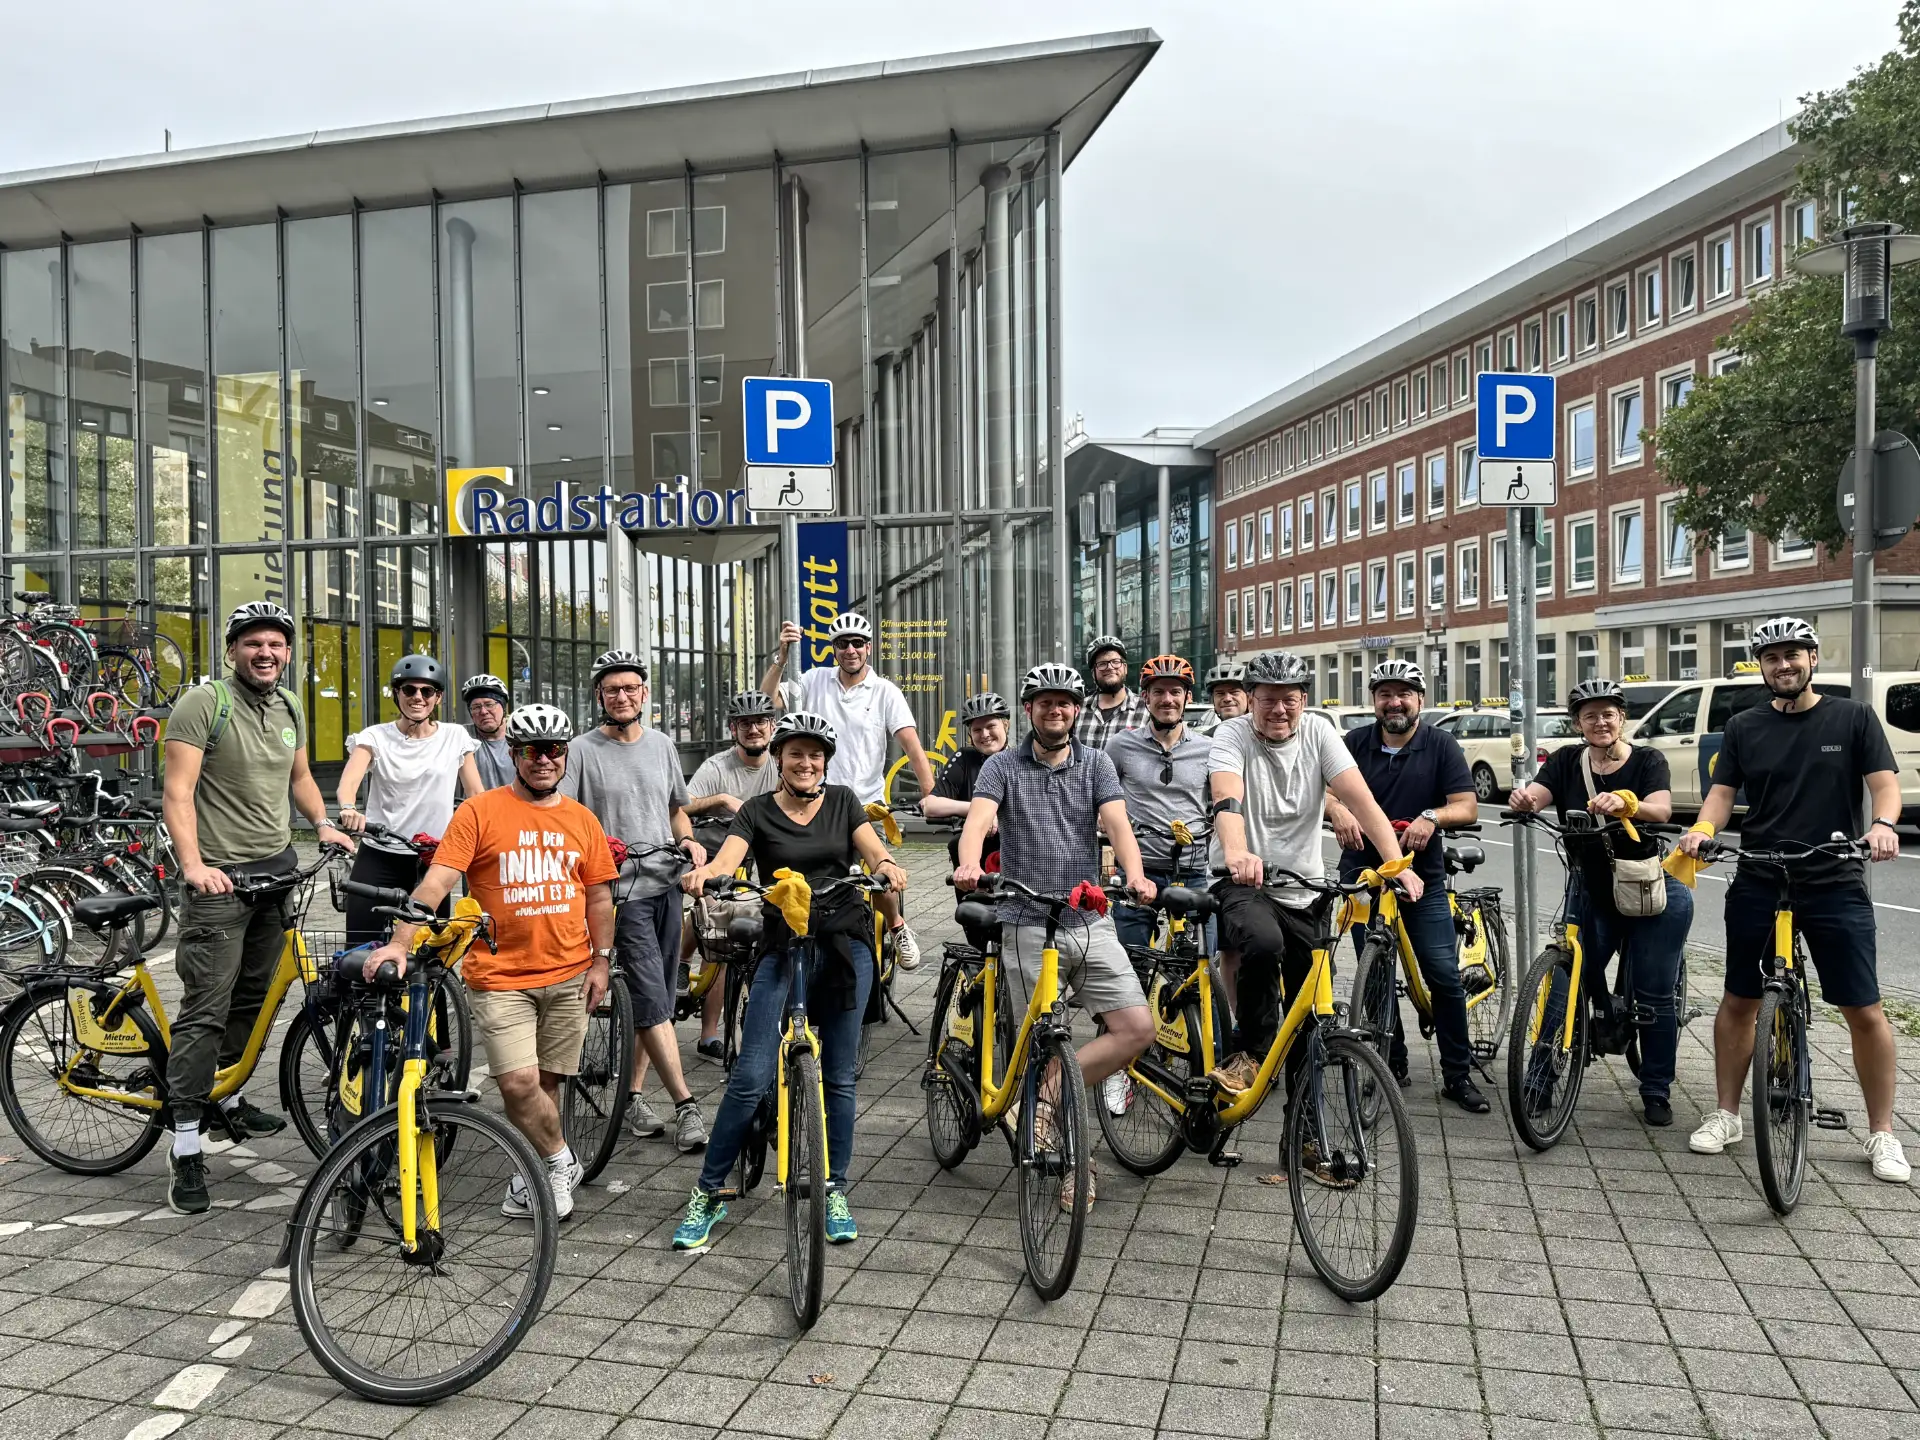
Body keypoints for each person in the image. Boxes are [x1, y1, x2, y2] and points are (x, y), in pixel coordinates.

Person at [361, 703, 617, 1221]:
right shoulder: (480, 812)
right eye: (532, 750)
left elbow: (598, 899)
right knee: (517, 1083)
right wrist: (400, 942)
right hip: (501, 977)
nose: (544, 760)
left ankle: (532, 1179)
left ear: (565, 755)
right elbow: (436, 884)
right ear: (516, 754)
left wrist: (601, 961)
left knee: (546, 1083)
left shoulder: (582, 819)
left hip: (569, 973)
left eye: (554, 750)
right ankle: (559, 1159)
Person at [1677, 616, 1910, 1182]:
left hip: (1832, 877)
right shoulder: (1743, 726)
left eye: (1793, 655)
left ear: (1811, 658)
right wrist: (1704, 831)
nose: (1783, 665)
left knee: (1864, 1008)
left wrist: (1882, 824)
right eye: (1772, 657)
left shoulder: (1852, 717)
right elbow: (1722, 795)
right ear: (1761, 667)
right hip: (1761, 873)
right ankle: (1727, 1113)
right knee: (1738, 1000)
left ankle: (1882, 1132)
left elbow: (1885, 785)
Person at [673, 712, 910, 1250]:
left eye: (815, 754)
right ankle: (708, 1191)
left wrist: (889, 864)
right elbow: (731, 861)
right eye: (796, 754)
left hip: (845, 946)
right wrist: (707, 874)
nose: (806, 763)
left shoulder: (846, 801)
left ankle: (834, 1188)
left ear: (826, 760)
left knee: (842, 1078)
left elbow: (872, 849)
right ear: (779, 759)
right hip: (781, 947)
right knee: (751, 1075)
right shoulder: (757, 811)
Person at [159, 601, 356, 1214]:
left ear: (288, 652)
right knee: (205, 1010)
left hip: (276, 876)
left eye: (275, 644)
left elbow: (298, 778)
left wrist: (322, 822)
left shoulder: (290, 705)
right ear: (232, 650)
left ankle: (228, 1098)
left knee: (254, 999)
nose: (264, 653)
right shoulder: (203, 704)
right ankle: (185, 1144)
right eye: (252, 644)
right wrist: (194, 868)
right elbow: (178, 792)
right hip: (220, 884)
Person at [954, 662, 1158, 1212]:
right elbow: (978, 820)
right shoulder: (1000, 766)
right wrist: (970, 864)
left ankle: (1046, 1096)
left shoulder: (1096, 765)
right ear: (1030, 710)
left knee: (1138, 1027)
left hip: (1088, 918)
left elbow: (1118, 825)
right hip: (1024, 921)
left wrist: (1135, 876)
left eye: (1065, 701)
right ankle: (1075, 1163)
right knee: (1042, 1036)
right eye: (1044, 702)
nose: (1055, 709)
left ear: (1077, 709)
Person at [1207, 651, 1418, 1099]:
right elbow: (1227, 797)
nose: (1279, 709)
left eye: (1290, 699)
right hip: (1245, 880)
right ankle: (1249, 1054)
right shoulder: (1231, 734)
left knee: (1310, 1012)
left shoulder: (1320, 731)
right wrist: (1237, 852)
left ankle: (1304, 1142)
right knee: (1263, 945)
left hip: (1304, 887)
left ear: (1304, 699)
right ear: (1250, 699)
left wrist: (1394, 864)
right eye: (1267, 699)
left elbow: (1362, 801)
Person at [1508, 677, 1690, 1126]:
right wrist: (1525, 798)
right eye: (1590, 715)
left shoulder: (1648, 759)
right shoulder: (1568, 761)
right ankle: (1539, 1081)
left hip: (1648, 892)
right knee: (1565, 981)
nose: (1600, 721)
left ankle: (1656, 1089)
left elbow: (1662, 809)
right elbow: (1539, 792)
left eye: (1608, 713)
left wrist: (1627, 803)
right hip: (1591, 888)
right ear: (1578, 723)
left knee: (1653, 994)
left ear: (1622, 718)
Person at [563, 649, 709, 1152]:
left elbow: (675, 810)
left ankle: (632, 1096)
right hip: (619, 892)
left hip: (665, 883)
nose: (622, 696)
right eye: (612, 689)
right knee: (650, 996)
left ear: (644, 694)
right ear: (599, 697)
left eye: (630, 688)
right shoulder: (581, 750)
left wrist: (687, 841)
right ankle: (687, 1105)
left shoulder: (663, 744)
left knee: (661, 1000)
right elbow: (566, 816)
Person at [1324, 660, 1486, 1111]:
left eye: (1404, 694)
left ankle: (1457, 1072)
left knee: (1444, 977)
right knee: (1374, 976)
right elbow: (1324, 788)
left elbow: (1467, 806)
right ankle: (1389, 1064)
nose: (1394, 702)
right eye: (1384, 694)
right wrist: (1335, 809)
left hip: (1422, 880)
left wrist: (1432, 818)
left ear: (1420, 700)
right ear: (1373, 700)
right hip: (1362, 877)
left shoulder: (1441, 745)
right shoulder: (1353, 743)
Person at [764, 611, 935, 969]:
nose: (850, 650)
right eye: (842, 644)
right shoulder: (813, 680)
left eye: (857, 643)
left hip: (866, 803)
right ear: (834, 649)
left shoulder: (885, 691)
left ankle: (897, 926)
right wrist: (781, 658)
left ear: (868, 648)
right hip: (818, 802)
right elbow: (769, 703)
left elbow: (911, 744)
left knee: (880, 869)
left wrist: (929, 792)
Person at [335, 654, 483, 943]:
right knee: (360, 941)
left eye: (427, 691)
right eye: (409, 690)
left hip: (434, 857)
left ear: (438, 698)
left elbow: (477, 795)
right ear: (396, 694)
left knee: (430, 949)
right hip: (380, 853)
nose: (418, 697)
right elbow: (348, 783)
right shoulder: (375, 737)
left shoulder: (455, 737)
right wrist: (348, 808)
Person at [682, 690, 781, 1059]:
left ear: (772, 726)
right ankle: (681, 968)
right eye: (745, 723)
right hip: (714, 849)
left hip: (760, 855)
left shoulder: (781, 763)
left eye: (760, 722)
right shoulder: (716, 766)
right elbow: (683, 805)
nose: (753, 729)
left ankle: (719, 1031)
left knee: (732, 943)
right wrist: (723, 799)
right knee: (712, 917)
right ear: (732, 729)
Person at [923, 691, 1011, 953]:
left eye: (991, 726)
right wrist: (981, 810)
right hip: (976, 855)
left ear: (1005, 724)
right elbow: (931, 804)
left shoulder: (1021, 760)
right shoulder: (965, 759)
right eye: (977, 729)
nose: (984, 734)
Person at [1076, 635, 1147, 748]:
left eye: (1115, 661)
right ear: (1093, 673)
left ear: (1125, 668)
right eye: (1102, 664)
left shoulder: (1146, 708)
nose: (1110, 667)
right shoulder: (1078, 709)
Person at [463, 673, 515, 790]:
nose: (483, 711)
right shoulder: (462, 736)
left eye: (489, 704)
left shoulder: (520, 735)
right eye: (476, 707)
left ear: (504, 706)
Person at [1202, 657, 1250, 732]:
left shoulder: (1265, 737)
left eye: (1234, 692)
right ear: (1213, 701)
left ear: (1249, 697)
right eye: (1220, 693)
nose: (1227, 699)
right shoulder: (1208, 739)